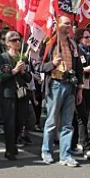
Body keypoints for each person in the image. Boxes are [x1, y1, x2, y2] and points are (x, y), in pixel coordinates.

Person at [36, 16, 83, 167]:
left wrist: (80, 88)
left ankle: (65, 155)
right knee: (51, 121)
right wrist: (52, 64)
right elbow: (38, 65)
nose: (69, 26)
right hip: (55, 84)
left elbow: (79, 67)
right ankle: (46, 151)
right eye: (66, 23)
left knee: (67, 123)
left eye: (70, 23)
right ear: (58, 24)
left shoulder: (72, 43)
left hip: (70, 85)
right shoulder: (49, 42)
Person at [0, 31, 32, 160]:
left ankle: (15, 143)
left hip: (21, 94)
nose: (17, 42)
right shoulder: (3, 57)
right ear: (7, 43)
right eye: (14, 40)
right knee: (10, 123)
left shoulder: (23, 57)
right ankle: (9, 149)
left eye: (18, 40)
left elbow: (28, 77)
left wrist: (22, 72)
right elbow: (1, 77)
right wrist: (14, 70)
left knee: (20, 121)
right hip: (9, 94)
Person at [71, 28, 90, 159]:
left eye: (89, 37)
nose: (88, 39)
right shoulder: (77, 51)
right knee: (82, 117)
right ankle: (86, 148)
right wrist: (86, 69)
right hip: (78, 87)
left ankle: (73, 143)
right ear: (79, 38)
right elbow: (75, 69)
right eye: (86, 37)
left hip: (88, 87)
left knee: (79, 118)